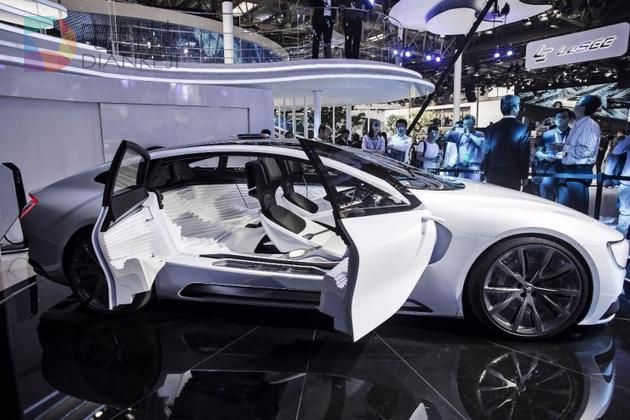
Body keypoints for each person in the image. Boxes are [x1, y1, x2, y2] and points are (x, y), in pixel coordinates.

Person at [557, 95, 602, 214]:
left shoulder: (589, 126)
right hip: (570, 171)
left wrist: (564, 147)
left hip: (578, 171)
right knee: (565, 210)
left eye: (577, 103)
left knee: (577, 211)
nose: (574, 106)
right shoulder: (579, 124)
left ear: (582, 108)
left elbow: (587, 151)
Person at [483, 95, 531, 190]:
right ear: (514, 108)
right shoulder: (523, 129)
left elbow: (486, 153)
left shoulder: (490, 129)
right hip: (513, 174)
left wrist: (485, 172)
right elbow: (524, 155)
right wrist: (524, 176)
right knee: (510, 198)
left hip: (493, 173)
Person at [534, 108, 571, 201]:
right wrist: (545, 156)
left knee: (564, 204)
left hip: (567, 172)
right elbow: (538, 152)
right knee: (546, 201)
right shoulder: (547, 134)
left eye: (563, 117)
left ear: (568, 119)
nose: (560, 119)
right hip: (549, 171)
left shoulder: (573, 134)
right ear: (554, 119)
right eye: (557, 117)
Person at [444, 115, 485, 181]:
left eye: (469, 124)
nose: (466, 126)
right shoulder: (459, 135)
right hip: (461, 167)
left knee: (474, 185)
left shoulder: (480, 134)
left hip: (474, 167)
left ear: (474, 124)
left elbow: (481, 143)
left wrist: (470, 135)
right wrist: (453, 128)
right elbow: (446, 137)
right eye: (464, 124)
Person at [612, 125, 630, 234]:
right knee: (625, 210)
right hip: (627, 180)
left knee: (625, 210)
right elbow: (616, 151)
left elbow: (616, 151)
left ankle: (621, 234)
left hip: (627, 180)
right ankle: (622, 233)